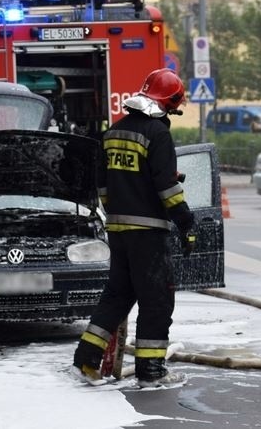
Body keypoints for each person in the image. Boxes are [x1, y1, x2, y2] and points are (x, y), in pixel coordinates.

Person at [72, 68, 196, 388]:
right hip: (148, 232)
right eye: (172, 108)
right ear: (166, 104)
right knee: (156, 300)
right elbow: (166, 188)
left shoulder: (113, 132)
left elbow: (103, 185)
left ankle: (86, 358)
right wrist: (186, 222)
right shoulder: (157, 134)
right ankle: (151, 372)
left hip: (118, 229)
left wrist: (118, 210)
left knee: (117, 295)